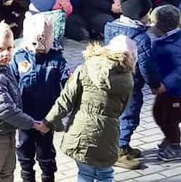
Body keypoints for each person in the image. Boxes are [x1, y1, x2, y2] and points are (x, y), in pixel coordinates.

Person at [43, 36, 135, 182]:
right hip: (108, 133)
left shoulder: (87, 66)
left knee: (85, 173)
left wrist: (49, 121)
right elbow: (122, 108)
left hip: (81, 131)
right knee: (105, 174)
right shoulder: (128, 79)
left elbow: (66, 99)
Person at [0, 22, 47, 182]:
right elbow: (7, 110)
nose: (6, 53)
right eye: (0, 49)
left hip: (6, 130)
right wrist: (31, 123)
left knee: (8, 170)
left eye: (10, 48)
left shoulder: (3, 68)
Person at [102, 0, 160, 170]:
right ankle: (119, 151)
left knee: (117, 115)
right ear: (138, 16)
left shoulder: (111, 27)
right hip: (130, 85)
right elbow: (146, 66)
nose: (149, 16)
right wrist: (155, 84)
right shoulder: (141, 38)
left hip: (111, 82)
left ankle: (123, 145)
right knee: (129, 116)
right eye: (147, 13)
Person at [10, 14, 67, 181]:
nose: (39, 48)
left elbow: (68, 83)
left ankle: (48, 175)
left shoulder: (57, 58)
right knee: (25, 150)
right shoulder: (19, 57)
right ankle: (27, 176)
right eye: (35, 43)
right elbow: (11, 83)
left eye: (43, 42)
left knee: (45, 151)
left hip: (46, 117)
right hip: (24, 116)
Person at [146, 5, 181, 160]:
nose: (150, 26)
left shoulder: (174, 47)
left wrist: (165, 84)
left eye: (152, 23)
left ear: (161, 27)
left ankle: (174, 145)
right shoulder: (163, 41)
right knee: (158, 113)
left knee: (171, 120)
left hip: (175, 91)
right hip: (164, 90)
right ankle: (169, 137)